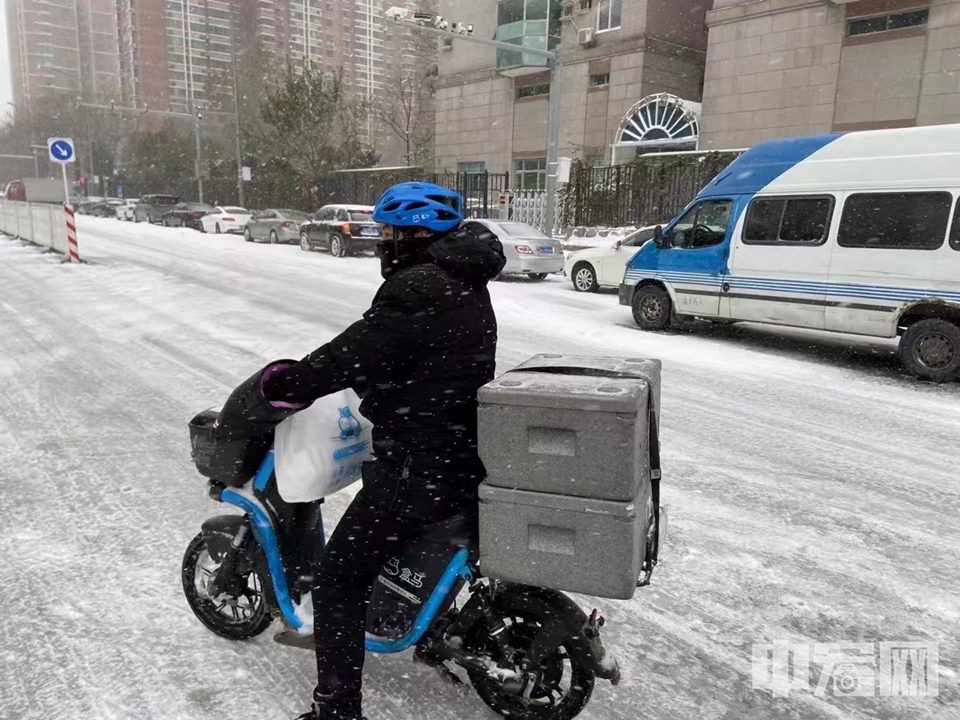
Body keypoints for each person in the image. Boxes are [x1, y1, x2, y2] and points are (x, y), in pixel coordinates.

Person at [226, 182, 505, 720]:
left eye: (389, 232)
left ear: (413, 233)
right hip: (456, 450)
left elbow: (354, 352)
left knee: (337, 580)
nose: (383, 242)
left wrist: (291, 382)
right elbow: (410, 354)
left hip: (417, 465)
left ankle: (337, 709)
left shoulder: (419, 286)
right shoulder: (463, 278)